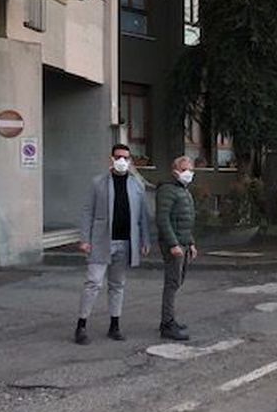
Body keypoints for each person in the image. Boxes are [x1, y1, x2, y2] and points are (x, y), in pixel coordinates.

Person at [75, 144, 151, 345]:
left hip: (125, 242)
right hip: (101, 241)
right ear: (111, 159)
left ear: (130, 160)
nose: (122, 161)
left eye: (126, 157)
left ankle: (114, 325)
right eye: (118, 157)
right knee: (93, 283)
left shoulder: (136, 184)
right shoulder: (98, 183)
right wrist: (85, 239)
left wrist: (145, 240)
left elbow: (143, 215)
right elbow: (87, 212)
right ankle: (81, 325)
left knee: (117, 285)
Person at [156, 156, 198, 341]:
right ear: (175, 171)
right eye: (184, 169)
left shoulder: (183, 190)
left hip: (183, 243)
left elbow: (185, 220)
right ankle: (167, 323)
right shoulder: (168, 190)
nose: (188, 173)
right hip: (174, 245)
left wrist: (190, 242)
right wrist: (173, 244)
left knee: (177, 281)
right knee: (172, 283)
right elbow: (163, 219)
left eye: (191, 169)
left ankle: (169, 319)